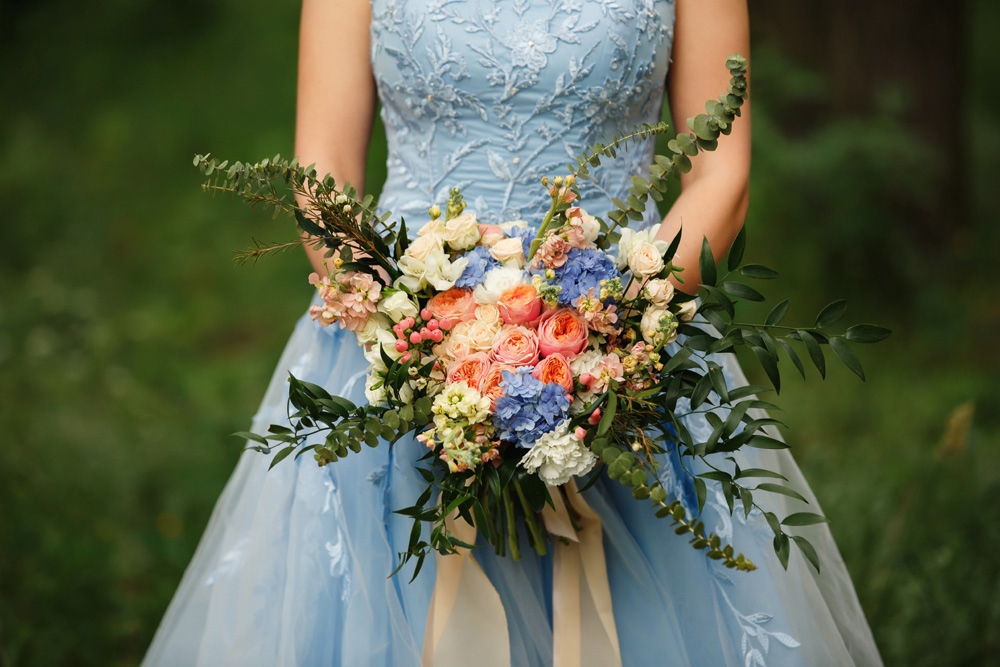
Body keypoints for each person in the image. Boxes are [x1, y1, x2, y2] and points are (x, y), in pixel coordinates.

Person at [143, 0, 883, 664]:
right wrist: (410, 331)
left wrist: (616, 333)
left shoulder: (621, 340)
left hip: (625, 355)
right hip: (395, 351)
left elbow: (721, 172)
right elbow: (323, 169)